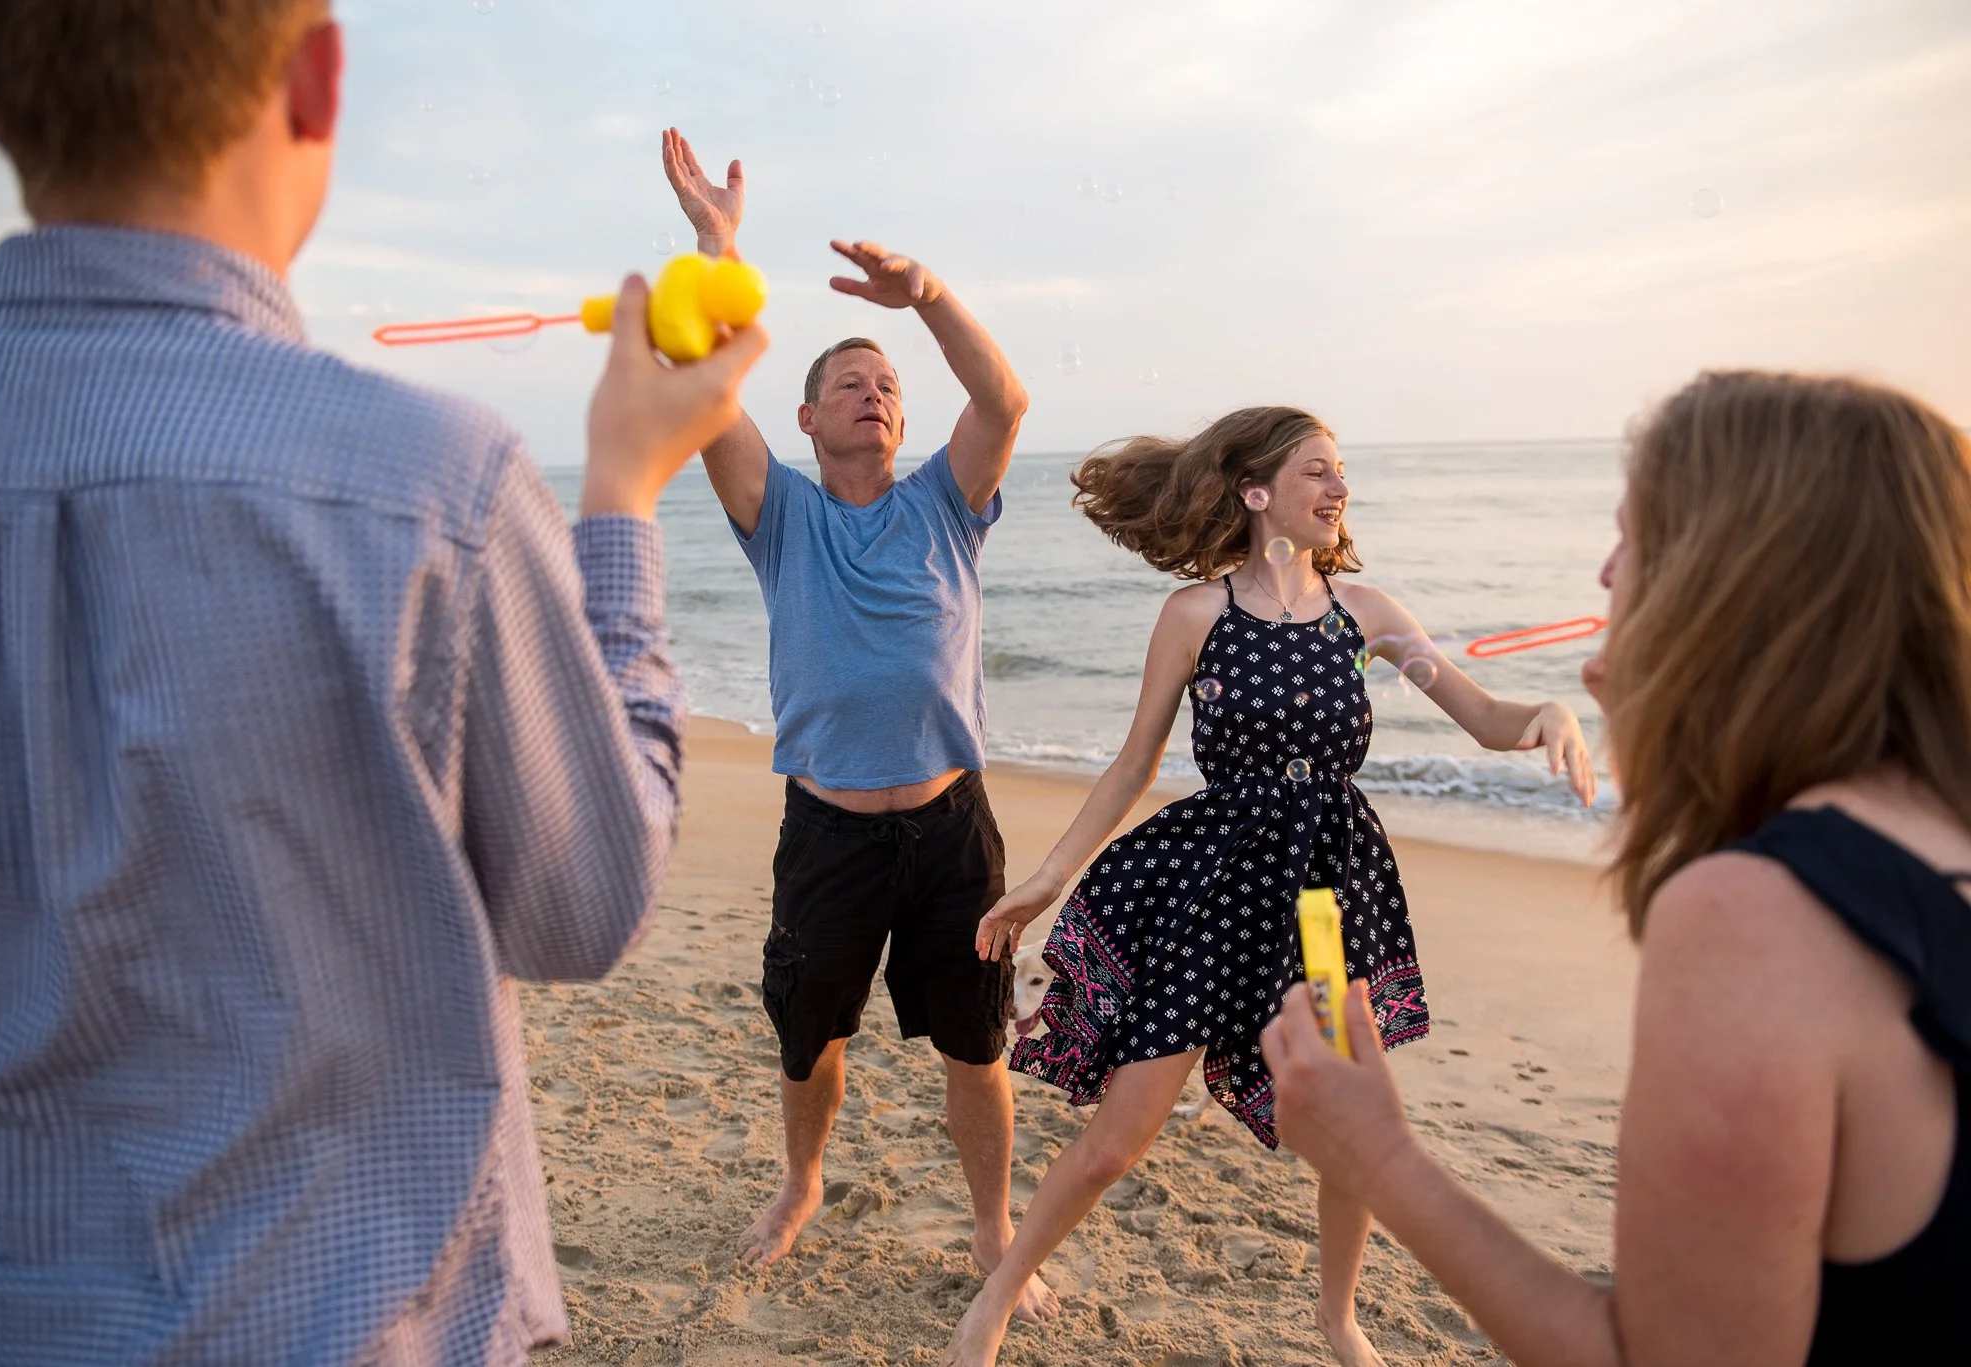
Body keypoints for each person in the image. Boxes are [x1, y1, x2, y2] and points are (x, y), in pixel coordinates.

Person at [0, 5, 765, 1364]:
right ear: (318, 78)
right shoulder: (433, 485)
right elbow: (585, 906)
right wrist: (620, 496)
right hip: (360, 1323)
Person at [1261, 370, 1971, 1365]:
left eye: (1630, 539)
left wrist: (1374, 1152)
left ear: (1726, 578)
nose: (1601, 574)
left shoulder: (1760, 914)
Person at [942, 406, 1596, 1367]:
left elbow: (1483, 715)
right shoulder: (1195, 616)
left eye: (1342, 474)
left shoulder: (1365, 617)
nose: (1338, 489)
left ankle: (1339, 1320)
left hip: (1327, 899)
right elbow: (1133, 766)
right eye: (1317, 472)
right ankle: (995, 1299)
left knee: (1353, 1115)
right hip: (1214, 890)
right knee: (1121, 1139)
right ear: (1257, 493)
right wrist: (1046, 876)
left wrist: (1549, 708)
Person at [657, 129, 1059, 1318]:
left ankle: (993, 1223)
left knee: (975, 1042)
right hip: (826, 829)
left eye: (887, 384)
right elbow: (708, 388)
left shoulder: (948, 499)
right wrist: (714, 244)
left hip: (950, 829)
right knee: (807, 1030)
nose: (877, 394)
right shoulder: (774, 510)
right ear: (808, 416)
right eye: (852, 383)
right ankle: (801, 1183)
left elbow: (1004, 396)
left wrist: (924, 297)